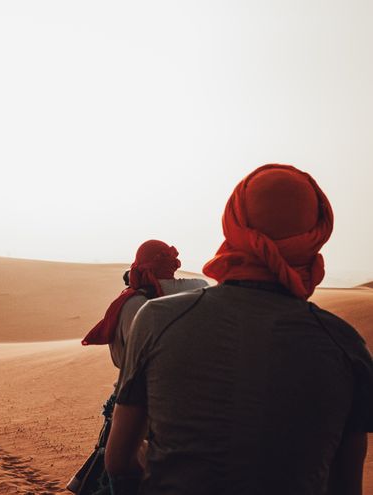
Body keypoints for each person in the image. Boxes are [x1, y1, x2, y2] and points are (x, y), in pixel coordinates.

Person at [105, 164, 373, 495]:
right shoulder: (347, 346)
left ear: (234, 225)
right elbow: (346, 486)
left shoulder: (156, 319)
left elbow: (118, 461)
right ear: (315, 236)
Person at [68, 241, 208, 494]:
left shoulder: (134, 302)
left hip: (135, 397)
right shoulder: (154, 303)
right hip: (150, 400)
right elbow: (201, 285)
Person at [82, 239, 208, 369]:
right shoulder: (194, 289)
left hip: (135, 379)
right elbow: (202, 284)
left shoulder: (127, 301)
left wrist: (135, 275)